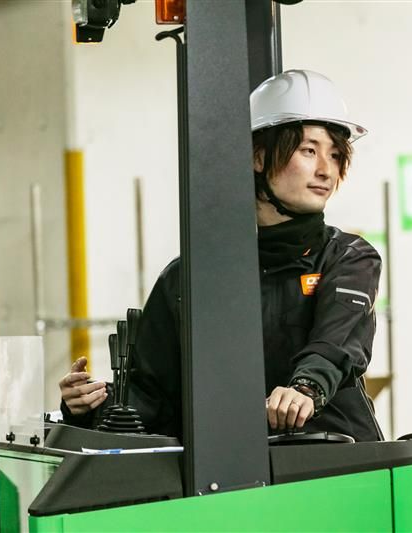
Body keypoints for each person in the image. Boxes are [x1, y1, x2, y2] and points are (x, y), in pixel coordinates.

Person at [59, 70, 383, 442]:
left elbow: (334, 347)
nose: (326, 170)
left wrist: (307, 388)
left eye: (335, 155)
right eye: (309, 151)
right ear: (258, 156)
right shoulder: (189, 279)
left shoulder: (349, 259)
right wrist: (92, 404)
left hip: (339, 459)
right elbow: (152, 398)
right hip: (230, 466)